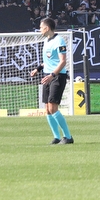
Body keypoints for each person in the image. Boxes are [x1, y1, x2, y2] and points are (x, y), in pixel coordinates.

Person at [29, 17, 73, 145]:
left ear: (47, 28)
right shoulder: (46, 41)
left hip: (57, 76)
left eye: (41, 27)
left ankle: (68, 137)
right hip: (47, 75)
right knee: (47, 108)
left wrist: (53, 75)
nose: (39, 29)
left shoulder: (59, 41)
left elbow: (62, 61)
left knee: (53, 107)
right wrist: (38, 69)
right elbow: (48, 60)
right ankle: (57, 137)